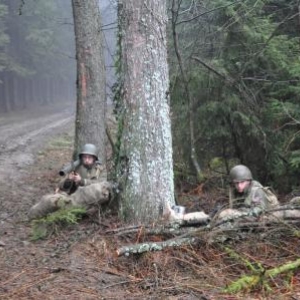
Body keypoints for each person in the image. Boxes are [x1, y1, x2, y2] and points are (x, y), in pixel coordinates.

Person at [28, 143, 112, 219]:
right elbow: (61, 186)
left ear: (94, 158)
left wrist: (82, 181)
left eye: (89, 157)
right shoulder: (77, 167)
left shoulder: (100, 169)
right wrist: (69, 179)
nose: (86, 160)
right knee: (49, 201)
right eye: (84, 157)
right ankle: (33, 215)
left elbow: (102, 185)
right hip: (72, 197)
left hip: (89, 201)